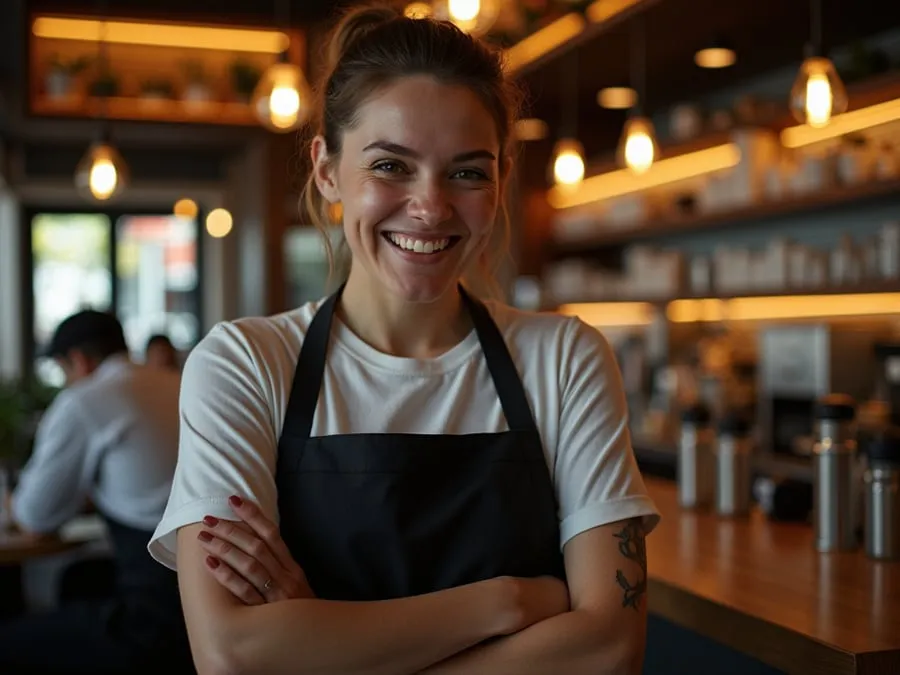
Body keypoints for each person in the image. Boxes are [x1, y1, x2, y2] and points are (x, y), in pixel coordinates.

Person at [148, 5, 660, 674]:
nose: (431, 207)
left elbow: (609, 647)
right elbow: (231, 654)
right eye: (391, 165)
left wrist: (321, 644)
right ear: (327, 170)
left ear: (502, 179)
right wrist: (506, 601)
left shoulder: (564, 359)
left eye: (468, 172)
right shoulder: (245, 364)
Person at [0, 310, 194, 675]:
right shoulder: (179, 382)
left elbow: (34, 519)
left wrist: (10, 501)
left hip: (152, 620)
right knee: (81, 579)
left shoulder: (85, 400)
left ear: (78, 360)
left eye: (64, 371)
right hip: (206, 598)